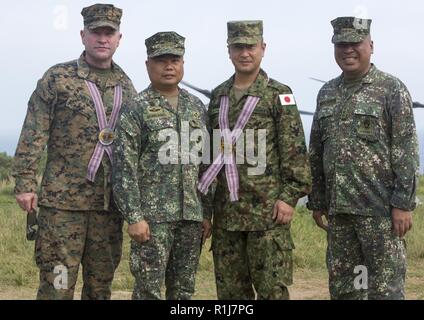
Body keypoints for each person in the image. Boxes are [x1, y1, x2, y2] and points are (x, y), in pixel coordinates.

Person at [12, 3, 137, 300]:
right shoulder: (57, 78)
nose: (103, 39)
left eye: (110, 32)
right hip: (62, 206)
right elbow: (34, 131)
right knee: (57, 285)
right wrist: (25, 183)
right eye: (96, 32)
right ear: (83, 35)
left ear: (119, 38)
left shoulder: (127, 86)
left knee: (100, 288)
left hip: (107, 207)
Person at [308, 17, 420, 300]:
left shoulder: (391, 89)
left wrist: (403, 204)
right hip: (340, 216)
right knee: (347, 290)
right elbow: (317, 151)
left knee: (385, 291)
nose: (348, 50)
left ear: (371, 45)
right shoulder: (327, 93)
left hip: (380, 215)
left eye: (355, 43)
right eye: (341, 44)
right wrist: (318, 200)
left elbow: (406, 149)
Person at [198, 20, 311, 300]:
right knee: (231, 295)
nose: (244, 53)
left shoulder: (279, 95)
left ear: (263, 48)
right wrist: (206, 212)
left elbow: (295, 151)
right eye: (238, 47)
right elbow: (211, 158)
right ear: (229, 50)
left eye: (250, 46)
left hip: (267, 214)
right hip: (227, 217)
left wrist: (289, 197)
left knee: (272, 292)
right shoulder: (218, 96)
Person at [112, 31, 211, 300]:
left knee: (183, 292)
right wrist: (134, 217)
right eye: (161, 60)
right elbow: (123, 169)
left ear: (182, 63)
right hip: (152, 221)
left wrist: (206, 212)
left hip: (190, 218)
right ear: (148, 65)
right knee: (148, 291)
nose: (169, 66)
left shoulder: (196, 107)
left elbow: (207, 164)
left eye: (175, 60)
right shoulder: (136, 108)